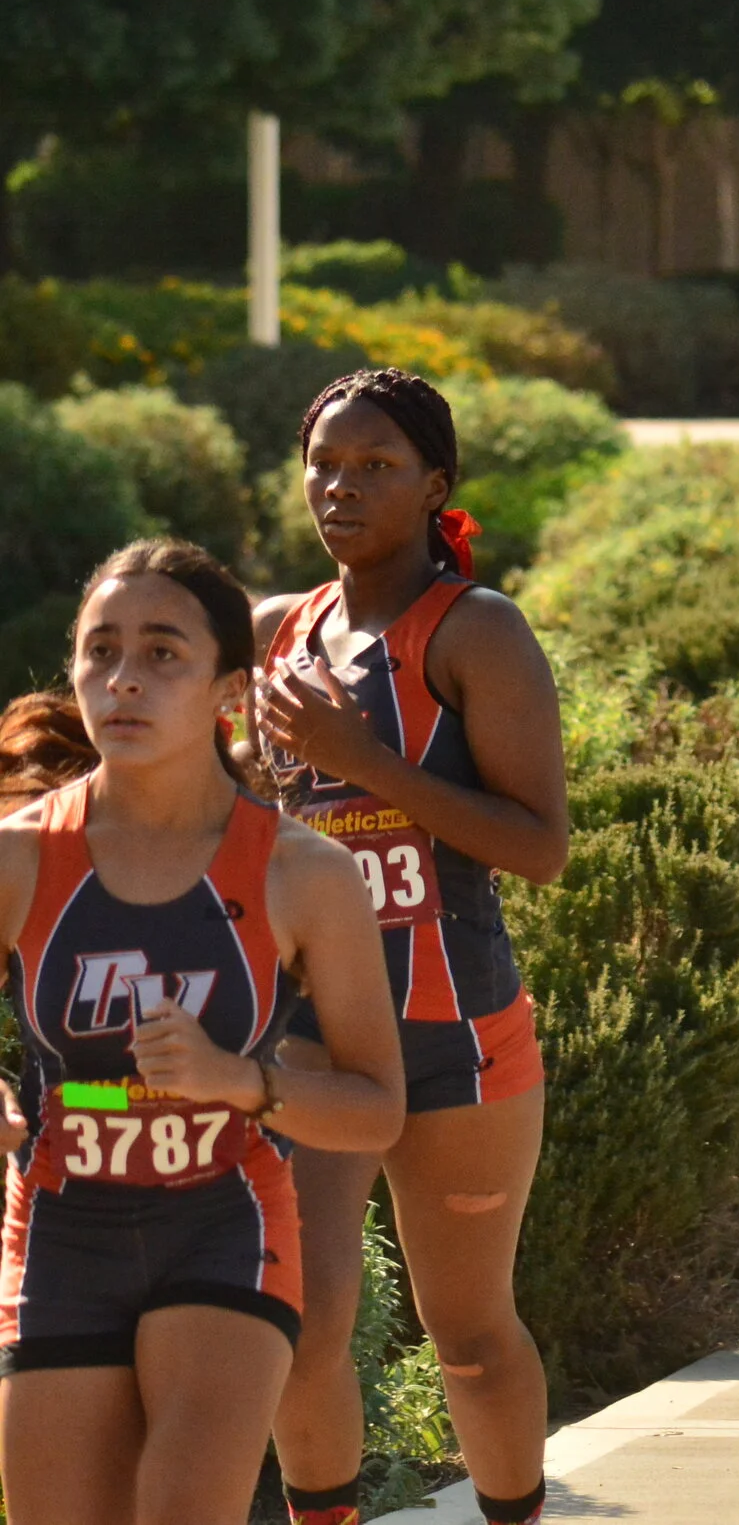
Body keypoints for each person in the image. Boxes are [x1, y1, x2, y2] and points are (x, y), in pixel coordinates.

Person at [0, 539, 404, 1525]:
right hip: (61, 1225)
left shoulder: (303, 873)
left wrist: (241, 1079)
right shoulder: (19, 857)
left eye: (163, 652)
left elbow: (376, 1108)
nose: (125, 679)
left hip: (224, 1221)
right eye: (101, 651)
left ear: (230, 689)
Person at [254, 369, 569, 1525]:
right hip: (308, 1038)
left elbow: (540, 845)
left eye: (376, 466)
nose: (341, 487)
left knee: (469, 1334)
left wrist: (365, 760)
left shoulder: (475, 630)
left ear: (436, 484)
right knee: (299, 1322)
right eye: (325, 465)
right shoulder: (274, 633)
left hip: (456, 1032)